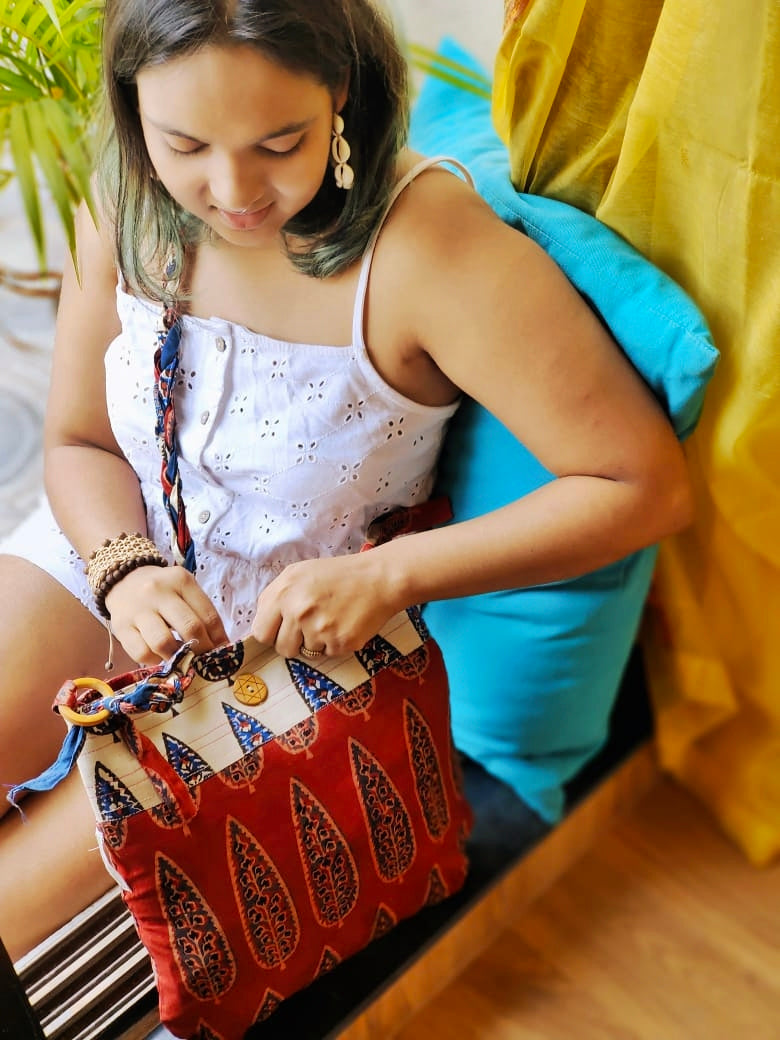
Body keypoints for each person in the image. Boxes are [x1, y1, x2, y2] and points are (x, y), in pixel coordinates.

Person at [0, 0, 691, 961]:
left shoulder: (431, 251)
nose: (232, 191)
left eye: (279, 142)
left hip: (277, 655)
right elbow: (78, 442)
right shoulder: (126, 193)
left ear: (342, 94)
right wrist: (122, 568)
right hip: (112, 553)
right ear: (134, 110)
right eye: (184, 142)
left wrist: (390, 578)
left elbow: (642, 484)